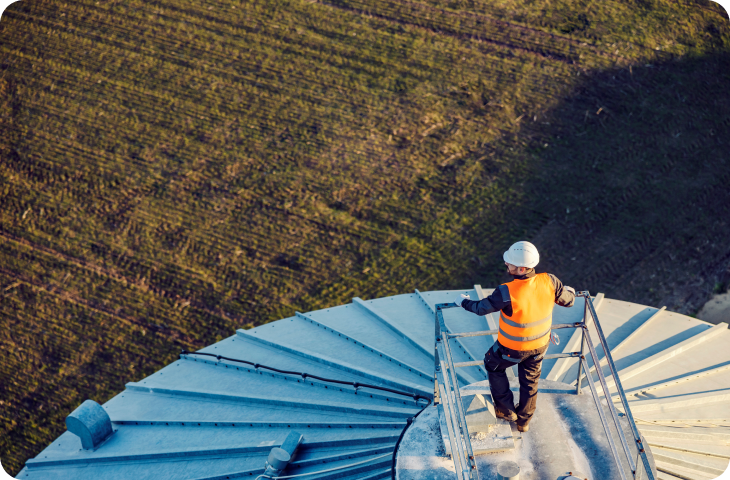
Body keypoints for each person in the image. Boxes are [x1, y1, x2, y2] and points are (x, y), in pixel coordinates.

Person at [454, 241, 576, 432]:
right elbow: (568, 301)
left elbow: (480, 308)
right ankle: (524, 421)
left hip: (511, 348)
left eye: (509, 263)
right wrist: (569, 291)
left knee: (491, 365)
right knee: (530, 381)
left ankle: (506, 410)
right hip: (540, 346)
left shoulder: (506, 291)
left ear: (520, 268)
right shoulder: (550, 281)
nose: (506, 265)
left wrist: (462, 302)